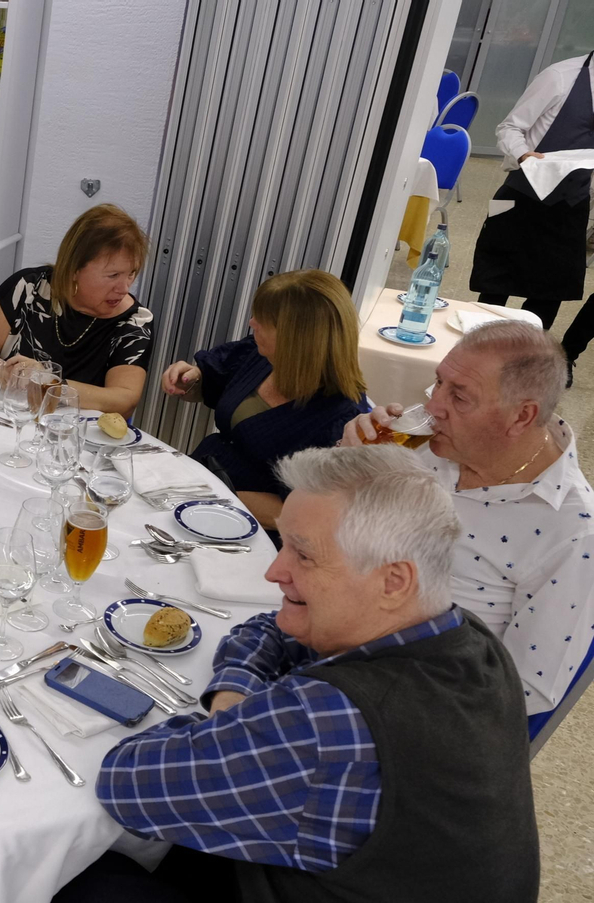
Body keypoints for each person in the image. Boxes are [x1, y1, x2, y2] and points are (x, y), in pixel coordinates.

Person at [56, 444, 538, 903]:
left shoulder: (333, 720)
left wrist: (229, 730)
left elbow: (128, 785)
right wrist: (233, 696)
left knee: (76, 877)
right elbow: (273, 625)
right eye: (282, 545)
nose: (274, 571)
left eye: (303, 554)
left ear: (394, 581)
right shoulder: (467, 638)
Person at [341, 319, 594, 724]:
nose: (433, 407)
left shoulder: (572, 532)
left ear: (521, 417)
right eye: (438, 382)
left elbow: (527, 688)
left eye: (459, 397)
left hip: (407, 703)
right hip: (334, 627)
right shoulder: (436, 446)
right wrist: (352, 461)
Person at [159, 269, 368, 530]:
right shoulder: (261, 355)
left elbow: (303, 512)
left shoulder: (340, 420)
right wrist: (193, 377)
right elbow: (216, 378)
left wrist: (211, 492)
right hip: (200, 485)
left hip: (248, 528)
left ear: (296, 339)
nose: (251, 322)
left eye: (262, 320)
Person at [470, 51, 594, 384]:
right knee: (497, 283)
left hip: (573, 205)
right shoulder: (560, 77)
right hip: (522, 195)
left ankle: (523, 368)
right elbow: (509, 127)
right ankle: (478, 359)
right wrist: (524, 154)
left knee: (550, 290)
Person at [0, 204, 152, 415]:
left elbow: (125, 399)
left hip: (74, 437)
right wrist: (7, 374)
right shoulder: (29, 289)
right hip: (7, 417)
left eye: (131, 274)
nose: (124, 288)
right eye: (113, 275)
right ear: (74, 269)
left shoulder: (134, 322)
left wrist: (51, 385)